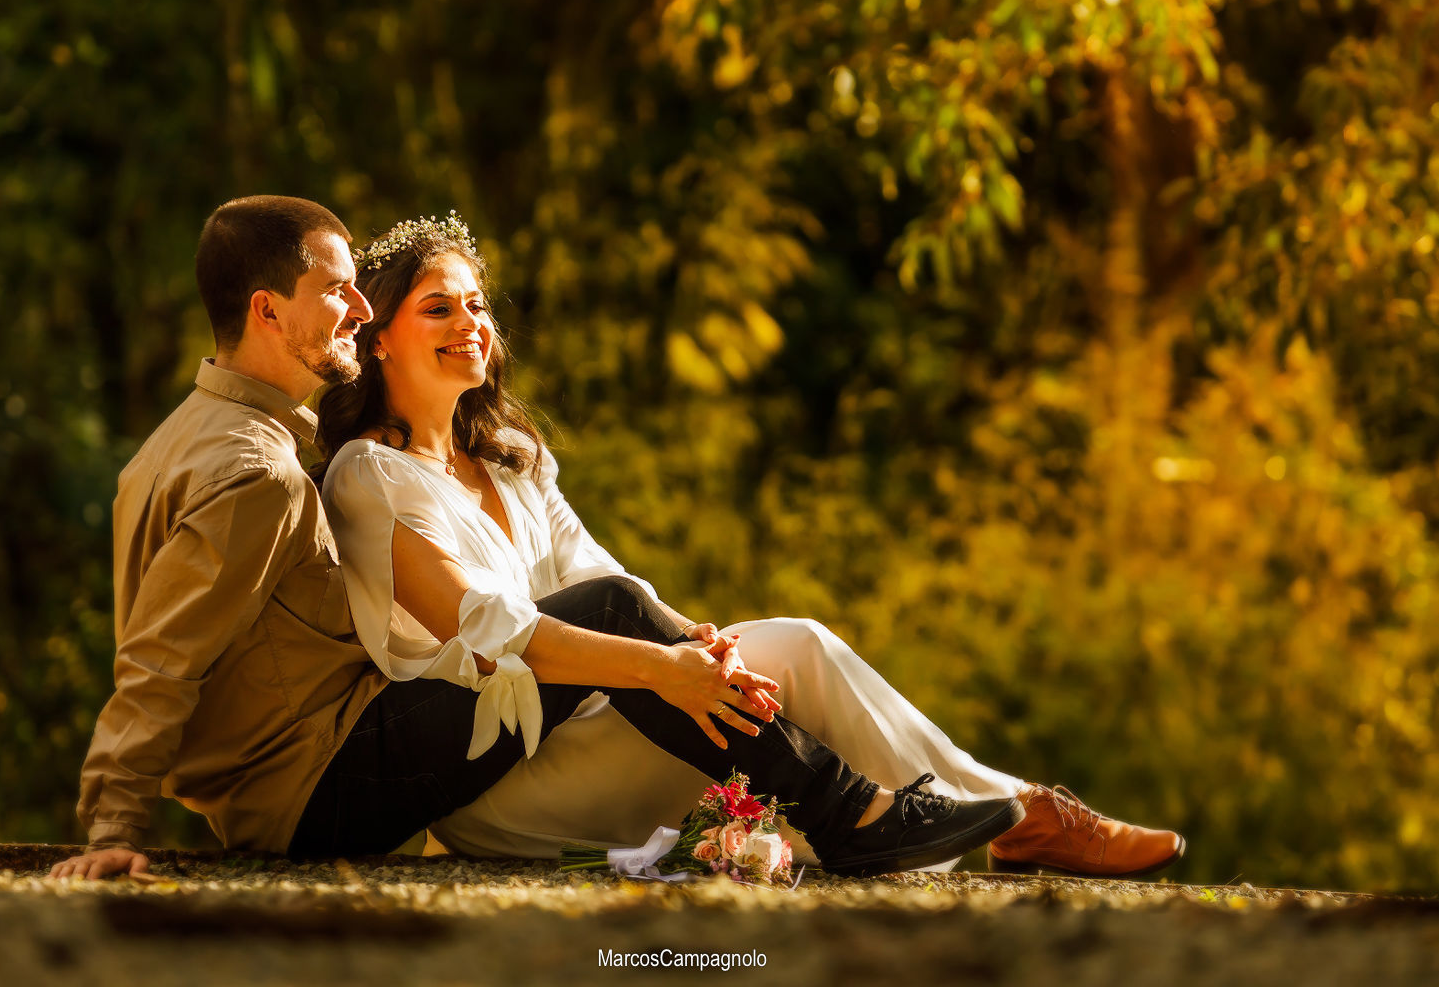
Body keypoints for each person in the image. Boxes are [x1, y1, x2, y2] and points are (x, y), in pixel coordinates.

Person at [51, 195, 1023, 881]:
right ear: (268, 310)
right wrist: (113, 822)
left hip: (314, 764)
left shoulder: (189, 440)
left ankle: (856, 809)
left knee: (611, 608)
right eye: (337, 290)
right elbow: (160, 660)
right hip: (312, 784)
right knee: (598, 617)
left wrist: (687, 647)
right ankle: (846, 810)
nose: (356, 306)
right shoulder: (256, 474)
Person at [315, 213, 1187, 878]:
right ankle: (914, 816)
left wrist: (700, 644)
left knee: (792, 642)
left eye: (476, 305)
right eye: (438, 308)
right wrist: (661, 665)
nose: (467, 322)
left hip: (603, 729)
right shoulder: (368, 475)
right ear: (379, 335)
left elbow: (600, 576)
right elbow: (479, 627)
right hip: (499, 778)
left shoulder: (512, 459)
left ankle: (1018, 813)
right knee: (660, 638)